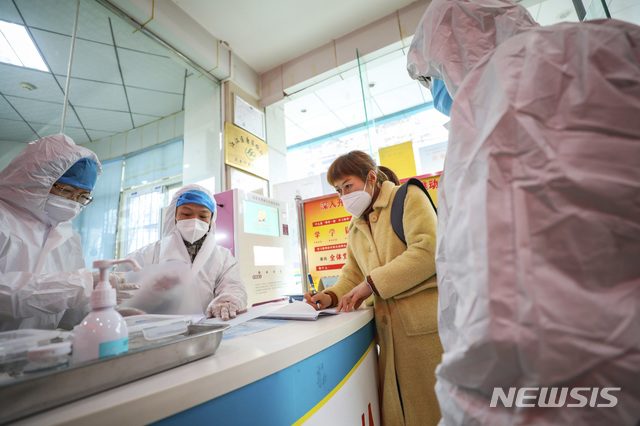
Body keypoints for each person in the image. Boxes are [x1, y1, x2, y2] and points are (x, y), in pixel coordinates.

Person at [407, 1, 640, 424]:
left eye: (432, 77)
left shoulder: (484, 117)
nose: (437, 92)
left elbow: (487, 292)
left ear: (449, 48)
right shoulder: (612, 44)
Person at [304, 150, 442, 425]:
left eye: (348, 185)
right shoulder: (356, 227)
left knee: (437, 408)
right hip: (389, 335)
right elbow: (352, 275)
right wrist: (329, 296)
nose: (343, 195)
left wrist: (372, 283)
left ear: (370, 177)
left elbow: (429, 250)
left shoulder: (407, 196)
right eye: (338, 190)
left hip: (426, 330)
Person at [0, 134, 134, 331]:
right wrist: (79, 285)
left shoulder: (69, 238)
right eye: (66, 191)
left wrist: (104, 312)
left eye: (82, 196)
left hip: (38, 352)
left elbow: (70, 314)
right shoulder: (4, 219)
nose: (73, 203)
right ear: (37, 181)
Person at [116, 184, 247, 320]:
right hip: (155, 331)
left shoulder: (223, 257)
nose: (195, 221)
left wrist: (225, 303)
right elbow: (117, 291)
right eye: (186, 214)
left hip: (205, 328)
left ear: (211, 221)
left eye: (203, 216)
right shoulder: (144, 255)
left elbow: (234, 287)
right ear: (173, 215)